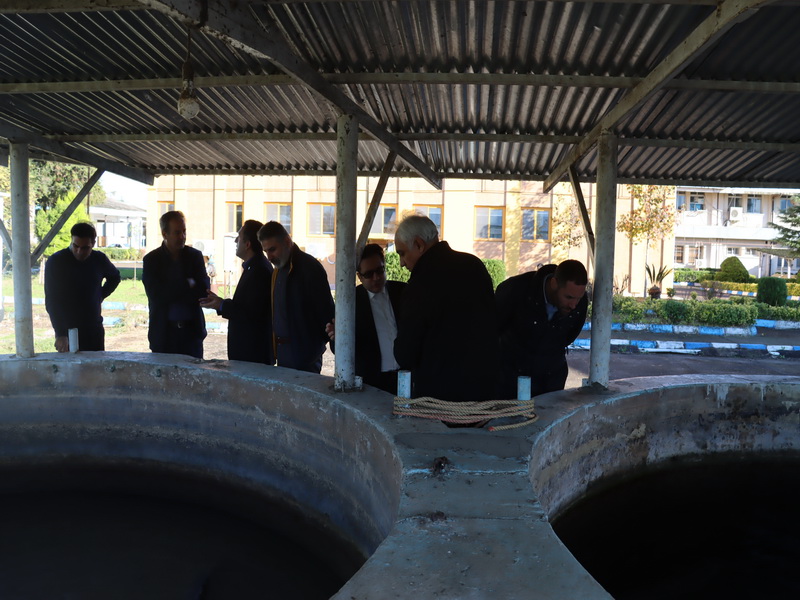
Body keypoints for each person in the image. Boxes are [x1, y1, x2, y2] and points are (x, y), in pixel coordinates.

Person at [393, 214, 498, 402]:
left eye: (402, 253)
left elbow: (406, 354)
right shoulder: (474, 265)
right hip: (483, 392)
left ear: (419, 244)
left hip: (439, 399)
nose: (401, 263)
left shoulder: (419, 286)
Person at [495, 259, 588, 398]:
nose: (573, 305)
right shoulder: (515, 290)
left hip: (552, 380)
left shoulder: (581, 302)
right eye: (568, 297)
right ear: (554, 283)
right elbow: (492, 330)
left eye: (578, 298)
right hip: (509, 381)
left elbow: (569, 336)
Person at [326, 244, 405, 393]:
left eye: (380, 270)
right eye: (369, 274)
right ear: (359, 276)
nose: (376, 278)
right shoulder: (349, 302)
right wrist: (338, 338)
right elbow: (339, 350)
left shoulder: (402, 292)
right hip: (372, 382)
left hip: (405, 377)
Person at [257, 221, 334, 373]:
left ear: (287, 241)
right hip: (283, 354)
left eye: (272, 249)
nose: (269, 257)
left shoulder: (309, 267)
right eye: (266, 251)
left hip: (305, 357)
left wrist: (310, 348)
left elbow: (326, 312)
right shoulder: (278, 270)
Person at [199, 220, 274, 365]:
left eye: (239, 238)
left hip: (253, 355)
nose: (235, 241)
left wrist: (222, 305)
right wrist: (219, 303)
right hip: (249, 354)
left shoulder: (259, 271)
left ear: (247, 244)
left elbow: (251, 313)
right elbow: (245, 305)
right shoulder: (253, 267)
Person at [142, 211, 210, 359]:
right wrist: (188, 283)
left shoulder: (195, 257)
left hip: (191, 335)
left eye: (184, 231)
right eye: (177, 232)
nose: (182, 236)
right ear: (164, 234)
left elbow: (203, 292)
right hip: (163, 336)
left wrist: (171, 287)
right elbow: (157, 296)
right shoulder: (152, 260)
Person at [44, 222, 121, 352]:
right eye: (75, 246)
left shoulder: (99, 259)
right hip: (68, 329)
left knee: (96, 364)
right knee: (70, 365)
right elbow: (52, 300)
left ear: (93, 244)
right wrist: (60, 333)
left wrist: (100, 295)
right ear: (71, 240)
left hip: (93, 328)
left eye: (85, 248)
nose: (79, 251)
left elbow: (115, 277)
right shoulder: (56, 262)